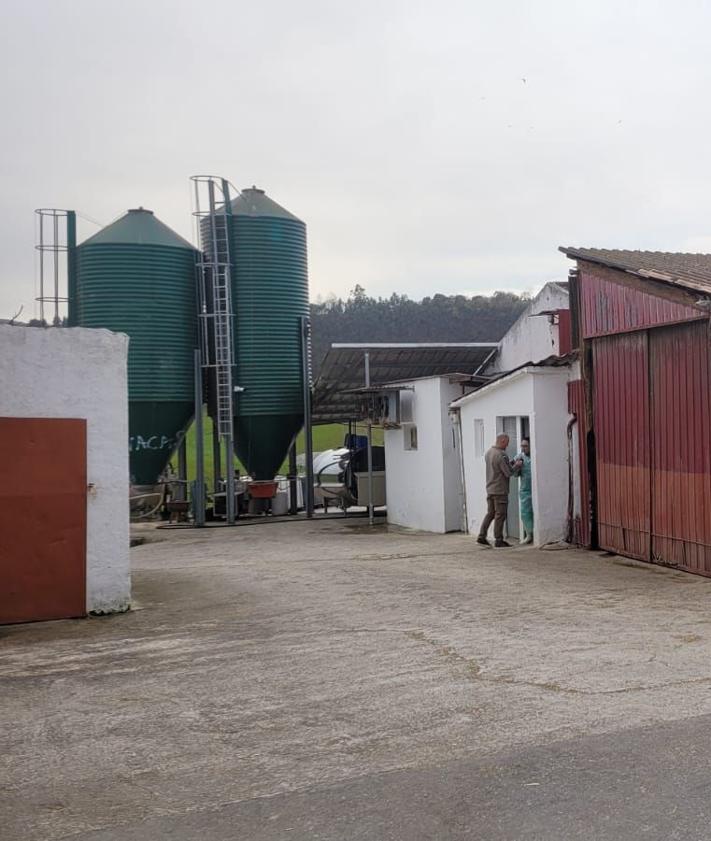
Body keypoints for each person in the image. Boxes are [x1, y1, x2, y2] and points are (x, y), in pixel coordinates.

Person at [477, 433, 521, 548]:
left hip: (490, 489)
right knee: (500, 515)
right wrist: (517, 465)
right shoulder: (501, 455)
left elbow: (499, 468)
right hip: (500, 490)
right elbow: (508, 473)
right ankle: (499, 540)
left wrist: (511, 463)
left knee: (490, 513)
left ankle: (481, 536)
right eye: (507, 442)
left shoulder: (489, 453)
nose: (507, 445)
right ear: (502, 441)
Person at [514, 437, 533, 544]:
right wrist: (517, 466)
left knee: (535, 512)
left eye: (525, 446)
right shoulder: (519, 457)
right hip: (525, 490)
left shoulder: (535, 455)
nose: (523, 448)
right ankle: (529, 534)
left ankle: (536, 533)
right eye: (522, 446)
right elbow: (514, 474)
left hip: (534, 489)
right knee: (525, 513)